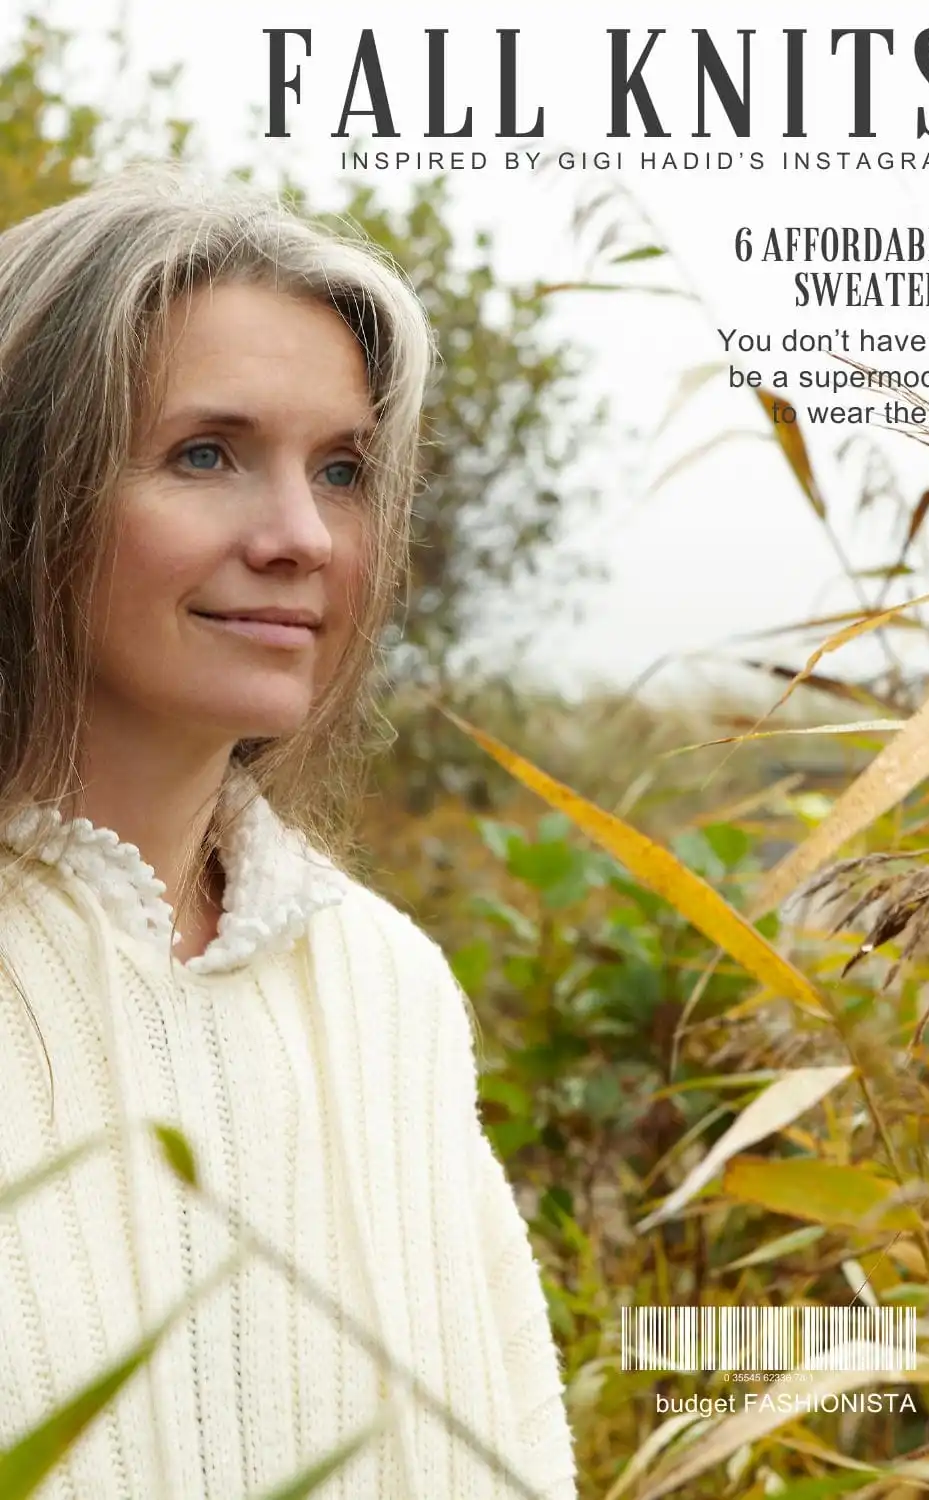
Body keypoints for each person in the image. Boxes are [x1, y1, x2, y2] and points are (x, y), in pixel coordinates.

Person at [0, 164, 577, 1499]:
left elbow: (518, 1452)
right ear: (28, 489)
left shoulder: (383, 989)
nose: (304, 537)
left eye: (344, 470)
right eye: (207, 453)